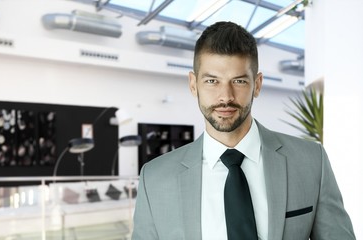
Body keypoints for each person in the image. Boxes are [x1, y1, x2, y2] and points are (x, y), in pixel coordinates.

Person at [131, 21, 355, 240]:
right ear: (193, 84)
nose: (225, 96)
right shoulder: (155, 178)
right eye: (211, 81)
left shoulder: (311, 162)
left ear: (257, 84)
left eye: (238, 81)